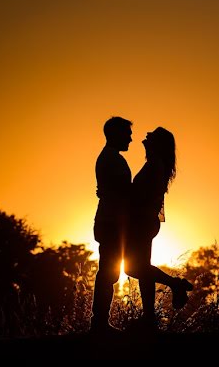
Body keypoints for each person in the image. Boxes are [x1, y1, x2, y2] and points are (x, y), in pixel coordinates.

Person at [124, 126, 194, 331]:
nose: (146, 136)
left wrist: (122, 190)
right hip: (144, 221)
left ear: (158, 144)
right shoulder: (155, 164)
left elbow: (142, 194)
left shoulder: (155, 165)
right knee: (143, 269)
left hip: (142, 222)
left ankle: (174, 285)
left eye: (151, 135)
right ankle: (148, 318)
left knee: (133, 268)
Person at [90, 116, 133, 334]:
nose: (131, 139)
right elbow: (125, 192)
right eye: (127, 134)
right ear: (116, 134)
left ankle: (99, 322)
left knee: (110, 272)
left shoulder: (110, 158)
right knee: (108, 273)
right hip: (111, 223)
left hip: (111, 222)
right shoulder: (112, 159)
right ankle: (99, 323)